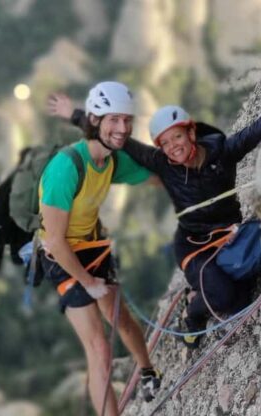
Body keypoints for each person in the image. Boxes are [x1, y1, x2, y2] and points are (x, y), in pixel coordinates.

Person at [48, 93, 261, 349]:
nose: (173, 146)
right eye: (164, 143)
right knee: (232, 298)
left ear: (191, 133)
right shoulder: (162, 163)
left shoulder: (223, 152)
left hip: (228, 237)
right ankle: (193, 314)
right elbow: (121, 141)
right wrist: (75, 115)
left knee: (246, 281)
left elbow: (255, 131)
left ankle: (202, 291)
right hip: (194, 248)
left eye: (177, 136)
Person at [38, 81, 161, 415]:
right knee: (99, 350)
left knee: (122, 320)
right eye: (113, 120)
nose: (122, 129)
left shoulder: (112, 162)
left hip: (92, 246)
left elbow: (156, 177)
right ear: (94, 119)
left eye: (126, 120)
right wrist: (88, 282)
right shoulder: (66, 168)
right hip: (61, 258)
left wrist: (193, 177)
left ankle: (149, 372)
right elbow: (55, 241)